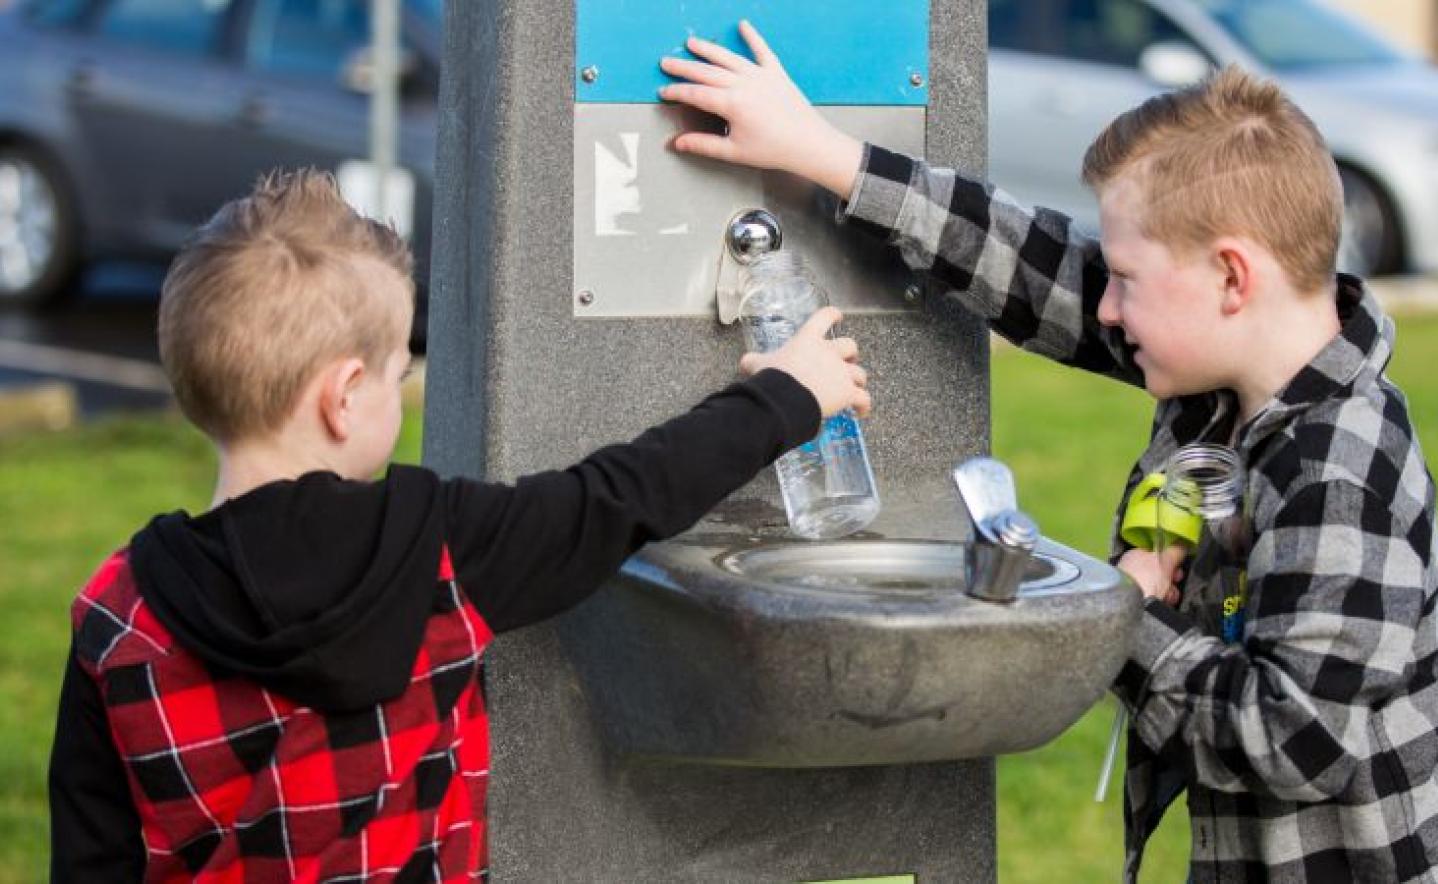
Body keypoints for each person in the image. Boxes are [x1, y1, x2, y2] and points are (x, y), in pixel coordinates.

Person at [658, 22, 1438, 881]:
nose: (1106, 310)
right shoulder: (1228, 374)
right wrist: (826, 157)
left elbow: (1292, 739)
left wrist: (1120, 613)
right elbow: (1040, 268)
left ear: (1232, 278)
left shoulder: (1340, 462)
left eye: (1129, 280)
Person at [47, 169, 869, 880]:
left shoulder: (118, 614)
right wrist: (787, 396)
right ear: (343, 397)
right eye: (398, 373)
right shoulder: (438, 544)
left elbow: (92, 861)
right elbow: (619, 497)